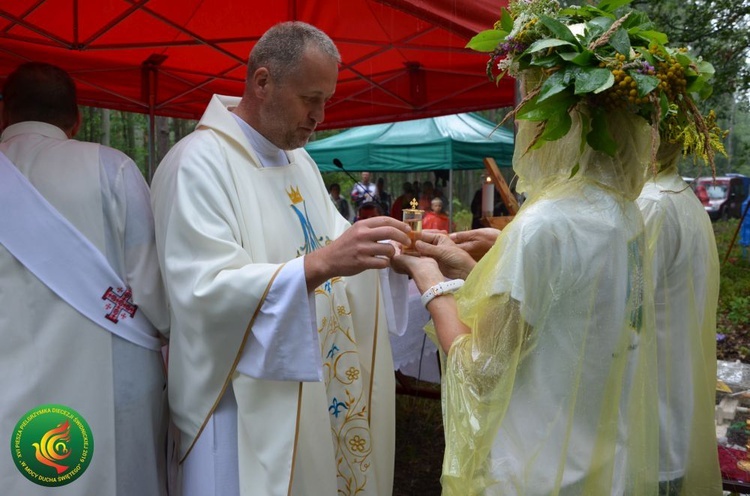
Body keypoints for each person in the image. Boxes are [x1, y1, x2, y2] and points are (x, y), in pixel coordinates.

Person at [391, 1, 669, 492]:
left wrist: (430, 280)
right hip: (602, 461)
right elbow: (561, 311)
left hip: (533, 469)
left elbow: (480, 371)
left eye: (527, 103)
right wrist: (477, 263)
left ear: (556, 117)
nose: (520, 119)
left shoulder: (544, 224)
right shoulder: (621, 213)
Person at [150, 21, 411, 496]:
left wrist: (390, 250)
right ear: (262, 81)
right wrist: (320, 265)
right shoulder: (199, 163)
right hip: (236, 404)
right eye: (310, 98)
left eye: (326, 100)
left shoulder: (300, 162)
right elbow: (200, 290)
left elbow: (337, 243)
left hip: (314, 390)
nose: (320, 115)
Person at [0, 62, 169, 495]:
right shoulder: (111, 169)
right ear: (76, 120)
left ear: (4, 114)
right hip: (113, 383)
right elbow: (152, 290)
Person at [636, 56, 727, 493]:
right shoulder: (681, 198)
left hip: (651, 413)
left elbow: (624, 309)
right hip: (672, 402)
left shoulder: (651, 204)